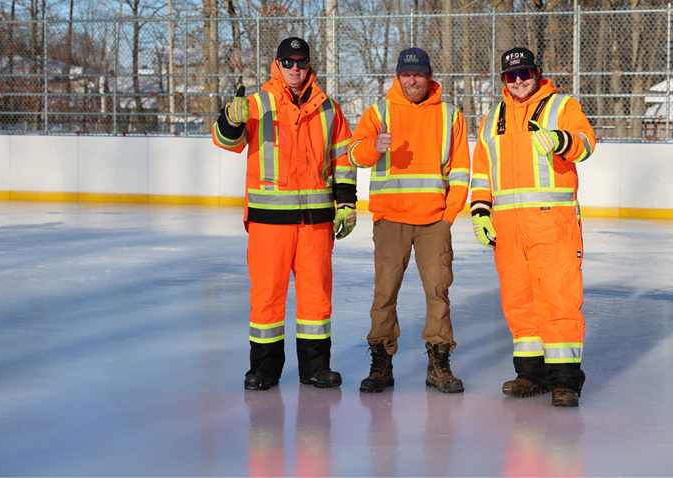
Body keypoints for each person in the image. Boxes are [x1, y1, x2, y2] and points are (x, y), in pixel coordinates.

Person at [212, 37, 357, 391]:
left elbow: (342, 160)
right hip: (268, 223)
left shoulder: (329, 108)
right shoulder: (256, 103)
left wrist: (347, 203)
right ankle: (263, 369)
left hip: (315, 223)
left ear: (310, 66)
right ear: (276, 65)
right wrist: (230, 118)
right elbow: (226, 142)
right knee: (267, 295)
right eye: (288, 62)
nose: (295, 68)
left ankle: (316, 367)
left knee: (316, 295)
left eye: (301, 62)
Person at [470, 47, 596, 407]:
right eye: (511, 76)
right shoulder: (493, 117)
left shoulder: (562, 106)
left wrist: (561, 140)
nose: (519, 80)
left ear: (537, 73)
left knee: (558, 298)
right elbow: (482, 169)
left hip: (552, 224)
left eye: (525, 73)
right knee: (518, 302)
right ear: (503, 80)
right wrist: (480, 211)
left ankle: (565, 380)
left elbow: (586, 142)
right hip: (508, 229)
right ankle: (530, 373)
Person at [348, 47, 471, 394]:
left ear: (429, 75)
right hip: (391, 221)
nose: (412, 80)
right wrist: (374, 146)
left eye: (418, 74)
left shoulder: (450, 116)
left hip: (434, 222)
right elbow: (355, 152)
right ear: (397, 77)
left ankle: (438, 364)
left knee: (438, 293)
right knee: (384, 294)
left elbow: (461, 170)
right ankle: (381, 364)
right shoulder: (379, 112)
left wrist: (448, 216)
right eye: (406, 74)